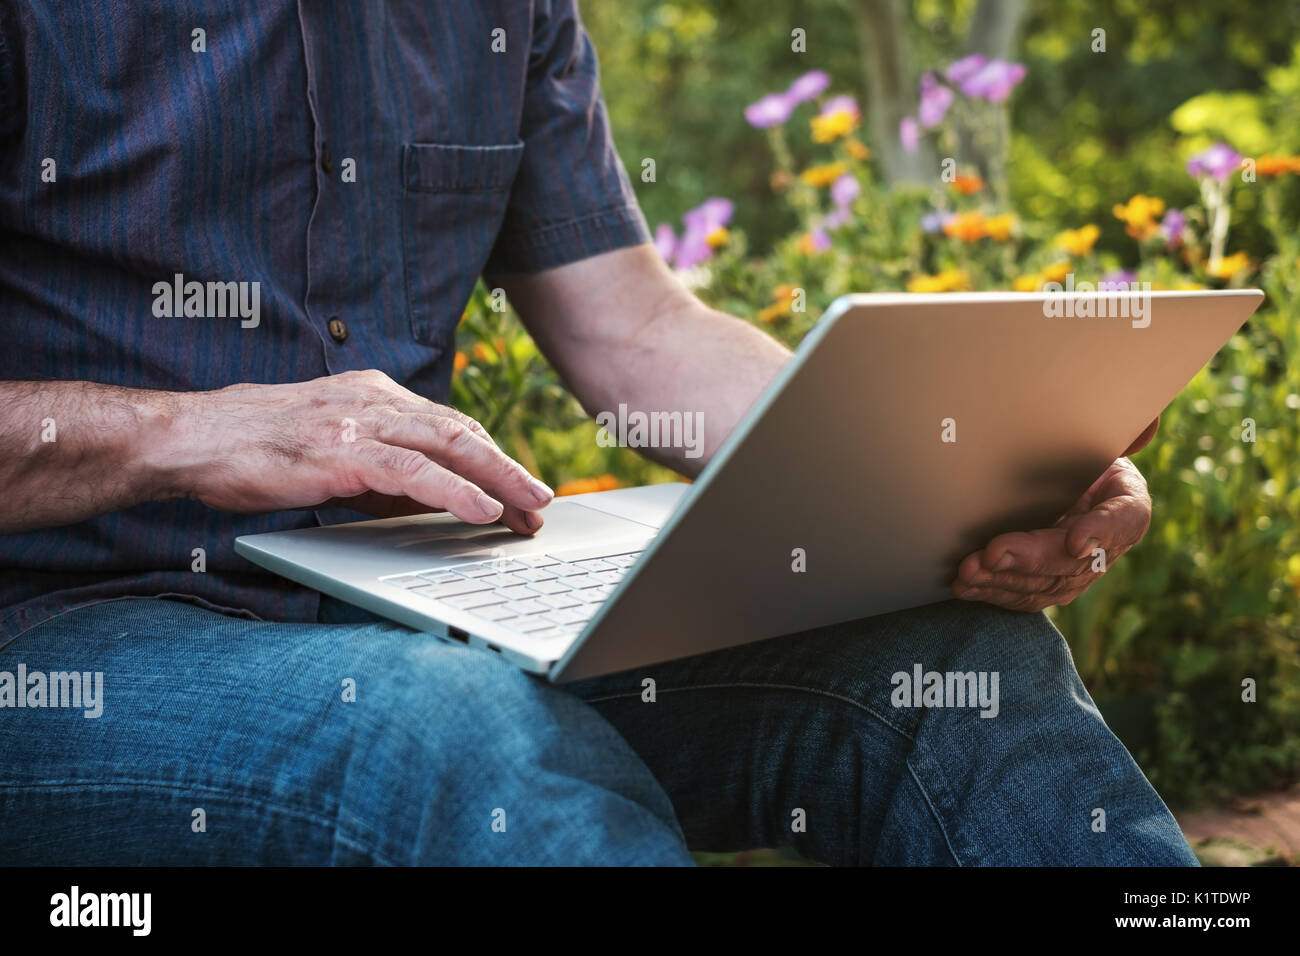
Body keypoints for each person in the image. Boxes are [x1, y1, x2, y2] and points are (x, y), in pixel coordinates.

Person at [0, 1, 1191, 865]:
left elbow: (633, 332)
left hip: (433, 601)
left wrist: (937, 469)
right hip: (62, 638)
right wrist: (185, 432)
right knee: (446, 732)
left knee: (955, 660)